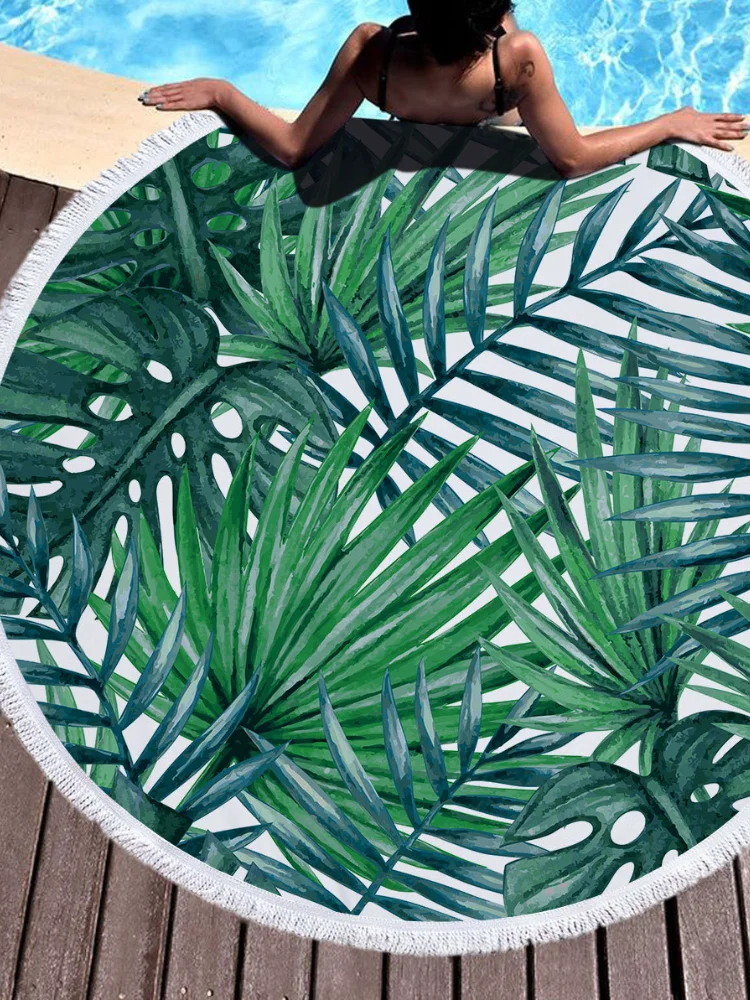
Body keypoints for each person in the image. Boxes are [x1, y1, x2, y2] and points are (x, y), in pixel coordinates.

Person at [138, 0, 748, 179]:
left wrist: (223, 92)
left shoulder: (370, 51)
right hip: (491, 112)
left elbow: (295, 147)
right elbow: (572, 158)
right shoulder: (519, 57)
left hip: (410, 101)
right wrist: (668, 123)